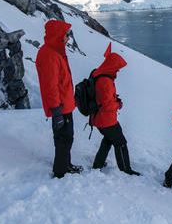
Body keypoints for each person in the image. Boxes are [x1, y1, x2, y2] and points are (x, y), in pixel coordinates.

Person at [35, 19, 83, 179]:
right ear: (58, 35)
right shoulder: (50, 55)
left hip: (64, 105)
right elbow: (51, 86)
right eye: (66, 35)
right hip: (60, 107)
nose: (68, 38)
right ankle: (60, 171)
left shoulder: (54, 51)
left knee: (65, 138)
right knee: (64, 138)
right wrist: (56, 111)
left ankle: (65, 164)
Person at [90, 43, 140, 176]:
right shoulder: (105, 81)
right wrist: (118, 104)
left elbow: (103, 99)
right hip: (106, 119)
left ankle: (98, 164)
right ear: (111, 66)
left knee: (108, 140)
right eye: (117, 68)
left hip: (100, 118)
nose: (118, 70)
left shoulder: (99, 74)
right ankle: (125, 169)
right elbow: (106, 105)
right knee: (120, 142)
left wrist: (114, 99)